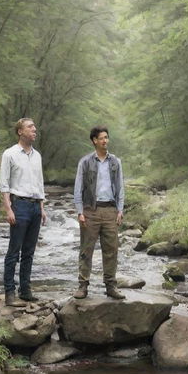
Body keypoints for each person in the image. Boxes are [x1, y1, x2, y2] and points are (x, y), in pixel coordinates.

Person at [73, 126, 125, 300]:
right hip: (90, 211)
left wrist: (120, 209)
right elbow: (78, 189)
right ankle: (83, 285)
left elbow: (120, 187)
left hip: (110, 210)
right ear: (94, 140)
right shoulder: (85, 162)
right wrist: (80, 211)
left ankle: (111, 286)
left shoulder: (115, 162)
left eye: (106, 138)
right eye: (102, 138)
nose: (105, 141)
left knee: (111, 250)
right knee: (86, 250)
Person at [0, 118, 46, 305]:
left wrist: (42, 208)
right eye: (30, 127)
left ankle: (25, 290)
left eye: (34, 127)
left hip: (35, 206)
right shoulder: (9, 154)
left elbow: (40, 183)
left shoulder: (37, 156)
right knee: (14, 251)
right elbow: (4, 184)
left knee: (29, 252)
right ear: (20, 132)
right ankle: (9, 294)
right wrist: (8, 209)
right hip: (19, 205)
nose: (34, 129)